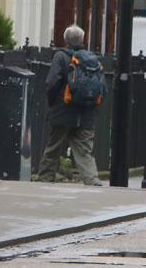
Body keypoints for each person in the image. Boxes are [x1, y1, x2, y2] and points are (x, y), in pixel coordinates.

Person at [37, 25, 103, 186]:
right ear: (82, 40)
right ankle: (92, 180)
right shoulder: (92, 59)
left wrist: (52, 102)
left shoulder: (60, 56)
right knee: (85, 150)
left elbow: (52, 82)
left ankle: (45, 178)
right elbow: (102, 88)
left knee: (53, 147)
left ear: (65, 40)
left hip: (63, 110)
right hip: (86, 113)